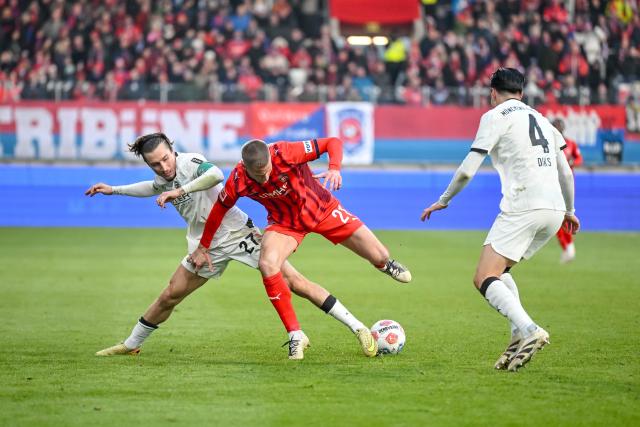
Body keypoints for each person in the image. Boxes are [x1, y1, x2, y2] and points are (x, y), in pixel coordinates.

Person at [85, 132, 378, 360]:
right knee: (170, 295)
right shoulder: (164, 178)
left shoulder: (190, 163)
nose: (164, 166)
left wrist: (180, 190)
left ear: (173, 150)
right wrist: (114, 190)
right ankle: (131, 344)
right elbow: (152, 187)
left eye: (165, 158)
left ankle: (358, 327)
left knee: (295, 282)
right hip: (206, 245)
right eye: (156, 164)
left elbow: (215, 175)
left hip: (239, 234)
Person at [190, 137, 412, 361]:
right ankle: (295, 334)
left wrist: (334, 169)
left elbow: (331, 142)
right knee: (267, 264)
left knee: (379, 254)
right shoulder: (237, 180)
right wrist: (203, 247)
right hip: (285, 224)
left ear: (269, 156)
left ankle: (385, 265)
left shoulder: (286, 152)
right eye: (259, 175)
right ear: (245, 166)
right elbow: (219, 209)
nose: (265, 177)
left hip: (323, 210)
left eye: (267, 170)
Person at [420, 68, 580, 372]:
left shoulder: (495, 116)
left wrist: (443, 200)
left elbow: (468, 169)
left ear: (493, 92)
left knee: (483, 277)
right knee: (502, 270)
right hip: (555, 211)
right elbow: (566, 172)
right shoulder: (543, 120)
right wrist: (570, 211)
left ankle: (530, 329)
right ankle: (516, 335)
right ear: (521, 92)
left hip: (524, 205)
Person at [552, 118, 583, 263]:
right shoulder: (549, 144)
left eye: (560, 126)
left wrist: (573, 162)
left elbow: (579, 158)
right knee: (556, 218)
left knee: (563, 217)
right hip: (552, 184)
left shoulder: (570, 144)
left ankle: (569, 246)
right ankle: (568, 246)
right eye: (556, 126)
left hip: (566, 186)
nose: (558, 128)